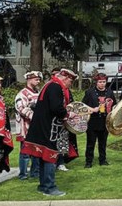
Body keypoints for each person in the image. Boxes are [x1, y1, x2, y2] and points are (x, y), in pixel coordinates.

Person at [22, 68, 78, 197]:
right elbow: (56, 107)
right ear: (65, 78)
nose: (71, 84)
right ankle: (49, 187)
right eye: (71, 81)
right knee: (50, 157)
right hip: (49, 129)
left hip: (41, 127)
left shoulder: (49, 85)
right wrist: (68, 114)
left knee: (43, 157)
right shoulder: (56, 87)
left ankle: (43, 186)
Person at [13, 71, 42, 179]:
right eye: (36, 79)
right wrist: (35, 116)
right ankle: (23, 174)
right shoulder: (22, 94)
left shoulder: (38, 93)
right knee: (25, 152)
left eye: (39, 79)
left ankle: (35, 173)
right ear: (29, 80)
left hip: (36, 128)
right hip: (25, 127)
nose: (38, 81)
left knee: (36, 151)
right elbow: (21, 108)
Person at [82, 73, 115, 167]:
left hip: (105, 121)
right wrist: (92, 109)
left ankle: (103, 160)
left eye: (104, 82)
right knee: (90, 143)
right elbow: (83, 105)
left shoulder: (109, 92)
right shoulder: (89, 92)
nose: (102, 84)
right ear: (96, 82)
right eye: (100, 82)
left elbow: (114, 105)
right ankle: (88, 162)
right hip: (93, 121)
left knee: (103, 142)